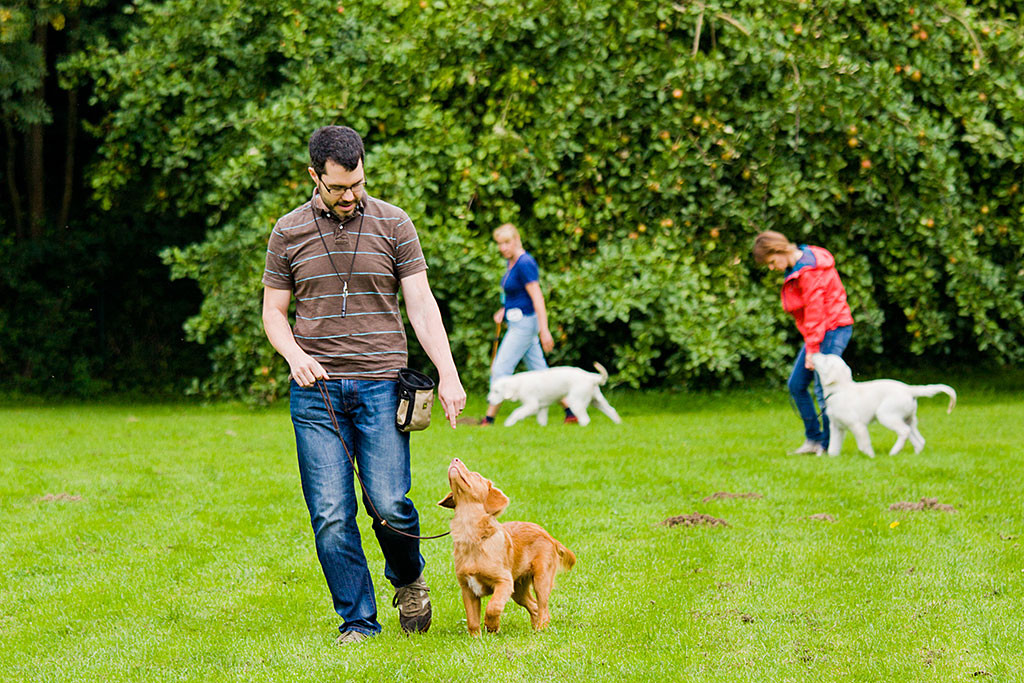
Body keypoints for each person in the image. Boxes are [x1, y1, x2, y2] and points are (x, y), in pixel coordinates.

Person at [261, 125, 466, 645]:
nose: (350, 196)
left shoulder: (395, 224)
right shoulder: (288, 232)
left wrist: (448, 372)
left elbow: (420, 303)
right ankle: (358, 622)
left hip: (382, 386)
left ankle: (409, 578)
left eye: (357, 183)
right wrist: (294, 354)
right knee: (331, 514)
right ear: (314, 176)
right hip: (317, 393)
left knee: (389, 503)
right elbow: (274, 313)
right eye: (338, 187)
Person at [753, 230, 853, 455]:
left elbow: (816, 312)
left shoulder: (807, 270)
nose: (772, 268)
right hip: (818, 331)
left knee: (822, 387)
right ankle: (814, 439)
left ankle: (827, 447)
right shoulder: (799, 265)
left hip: (833, 328)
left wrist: (813, 349)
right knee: (796, 385)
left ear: (779, 250)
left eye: (771, 262)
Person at [482, 223, 575, 425]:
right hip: (517, 321)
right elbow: (517, 295)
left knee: (500, 369)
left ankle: (488, 419)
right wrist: (504, 310)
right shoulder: (512, 262)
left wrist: (544, 330)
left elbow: (537, 298)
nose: (503, 248)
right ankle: (570, 412)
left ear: (516, 240)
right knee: (541, 371)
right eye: (500, 244)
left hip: (525, 324)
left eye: (507, 242)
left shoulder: (525, 263)